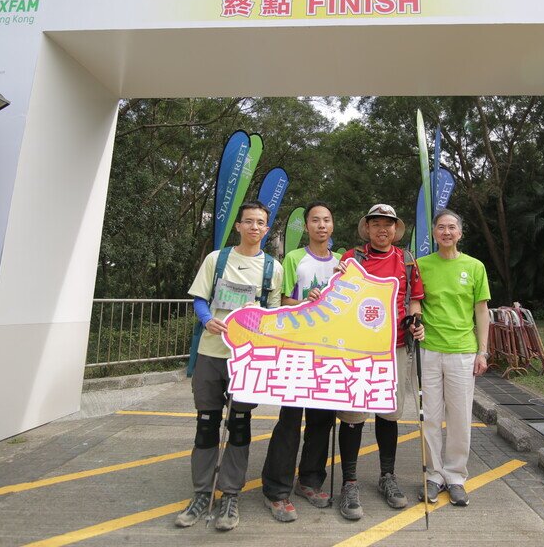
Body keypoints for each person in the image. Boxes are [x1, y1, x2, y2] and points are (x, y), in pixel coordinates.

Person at [175, 201, 283, 532]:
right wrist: (207, 320)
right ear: (238, 226)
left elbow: (274, 314)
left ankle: (231, 494)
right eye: (248, 221)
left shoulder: (272, 268)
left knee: (239, 423)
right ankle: (201, 493)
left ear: (267, 229)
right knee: (207, 424)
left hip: (246, 358)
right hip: (211, 353)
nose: (254, 227)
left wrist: (260, 326)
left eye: (260, 223)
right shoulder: (216, 260)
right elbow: (199, 299)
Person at [335, 204, 424, 520]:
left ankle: (388, 476)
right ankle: (349, 482)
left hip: (396, 347)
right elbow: (337, 296)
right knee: (353, 416)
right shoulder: (352, 258)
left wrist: (417, 319)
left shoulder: (407, 260)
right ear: (367, 229)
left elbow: (414, 299)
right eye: (376, 224)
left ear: (395, 229)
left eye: (388, 224)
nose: (382, 229)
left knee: (389, 414)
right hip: (358, 350)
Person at [261, 201, 339, 522]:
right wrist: (302, 301)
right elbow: (281, 300)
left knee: (322, 421)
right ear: (306, 226)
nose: (321, 225)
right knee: (290, 421)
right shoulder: (294, 258)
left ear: (332, 226)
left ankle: (310, 480)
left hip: (330, 352)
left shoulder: (342, 263)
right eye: (315, 220)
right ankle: (276, 490)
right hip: (296, 349)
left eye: (326, 220)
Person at [415, 209, 490, 507]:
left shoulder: (474, 267)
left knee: (459, 418)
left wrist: (482, 351)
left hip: (462, 351)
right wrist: (416, 321)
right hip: (429, 350)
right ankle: (434, 475)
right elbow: (415, 302)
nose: (446, 232)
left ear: (460, 233)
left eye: (452, 227)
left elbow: (481, 310)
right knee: (430, 417)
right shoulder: (421, 266)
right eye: (441, 227)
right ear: (434, 233)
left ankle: (456, 476)